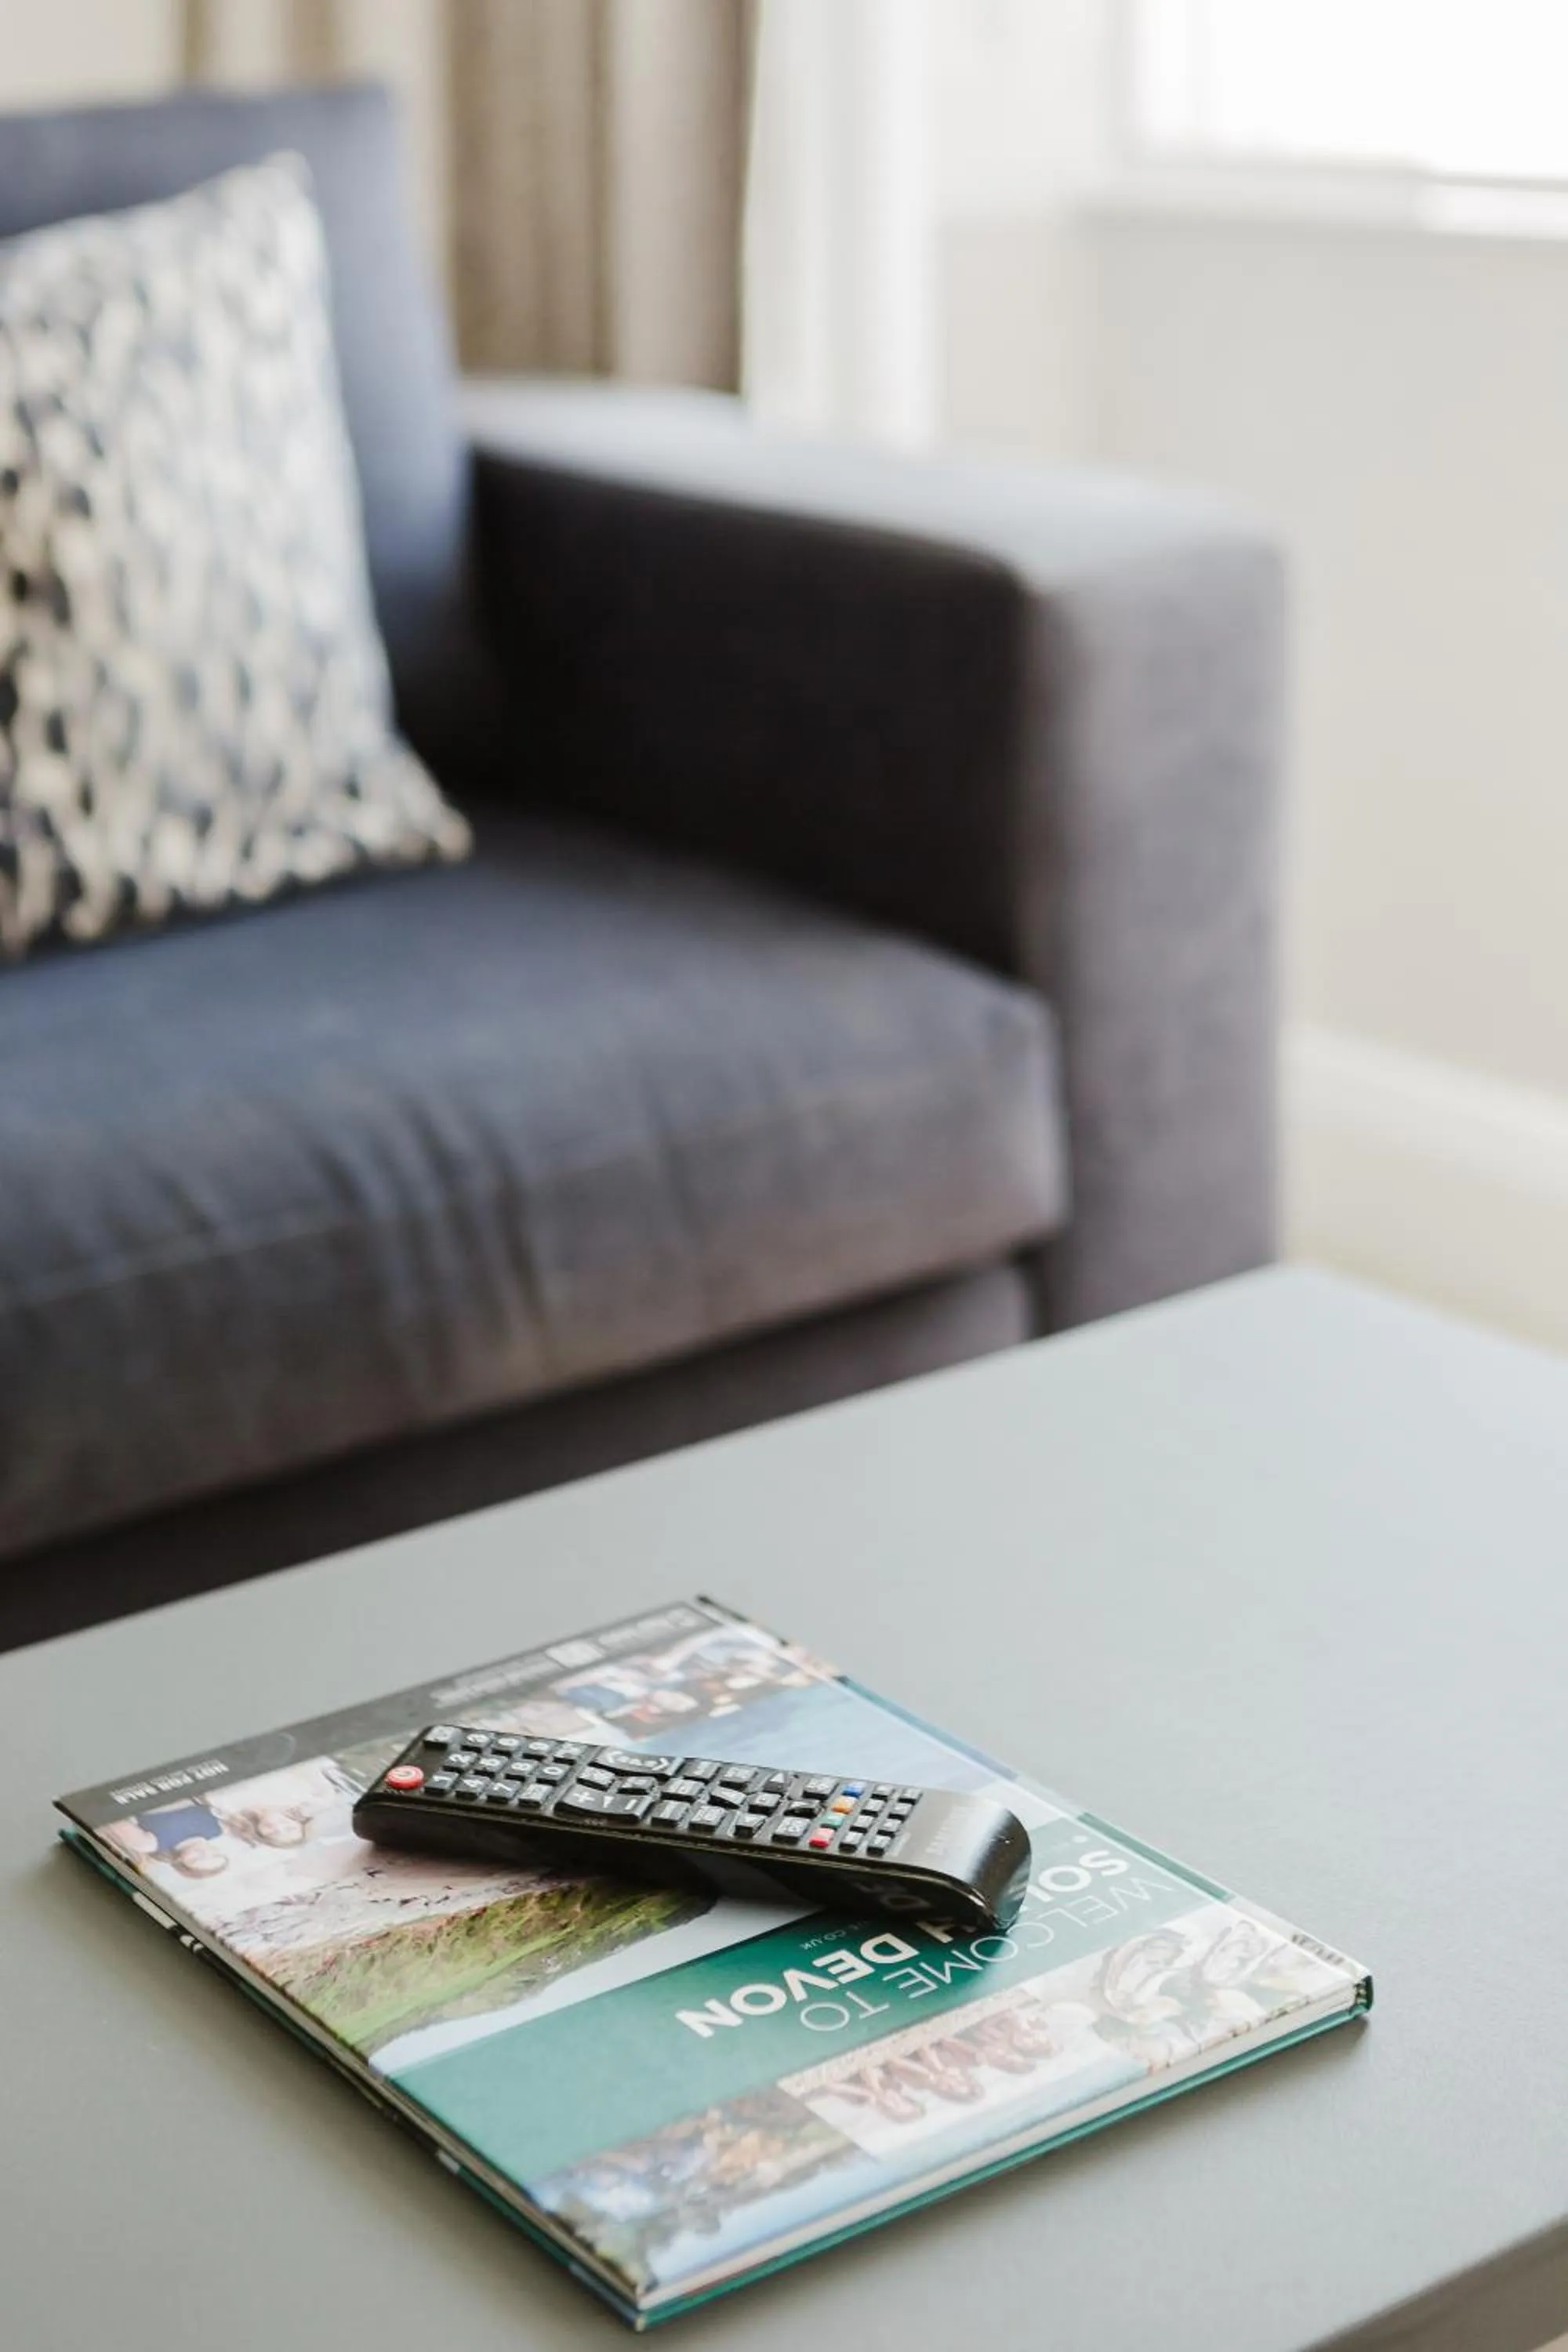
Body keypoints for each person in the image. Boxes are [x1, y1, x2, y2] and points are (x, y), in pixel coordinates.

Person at [103, 1798, 230, 1878]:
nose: (205, 1853)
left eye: (196, 1859)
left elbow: (107, 1814)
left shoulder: (149, 1844)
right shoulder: (217, 1828)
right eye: (215, 1855)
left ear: (181, 1862)